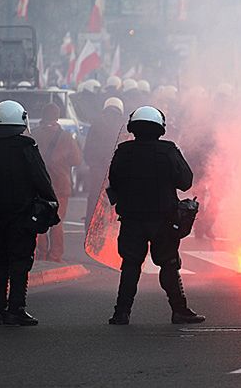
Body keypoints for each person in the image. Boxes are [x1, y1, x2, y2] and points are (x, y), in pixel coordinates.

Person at [107, 106, 205, 325]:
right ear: (160, 127)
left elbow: (114, 181)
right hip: (163, 219)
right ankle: (179, 311)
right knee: (169, 264)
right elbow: (186, 181)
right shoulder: (168, 150)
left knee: (131, 264)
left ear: (133, 126)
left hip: (132, 218)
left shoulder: (123, 151)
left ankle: (121, 313)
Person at [0, 100, 58, 326]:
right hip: (22, 216)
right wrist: (51, 204)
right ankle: (16, 309)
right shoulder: (26, 147)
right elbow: (41, 179)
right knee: (20, 262)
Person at [32, 103, 82, 262]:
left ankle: (41, 254)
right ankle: (55, 255)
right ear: (57, 117)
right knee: (57, 221)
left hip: (39, 185)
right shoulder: (66, 137)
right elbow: (77, 159)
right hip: (60, 185)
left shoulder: (34, 135)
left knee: (40, 220)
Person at [84, 97, 125, 230]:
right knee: (115, 203)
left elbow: (87, 150)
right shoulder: (123, 125)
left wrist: (93, 165)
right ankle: (112, 232)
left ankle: (91, 230)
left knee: (95, 202)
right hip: (117, 172)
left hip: (97, 172)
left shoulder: (96, 124)